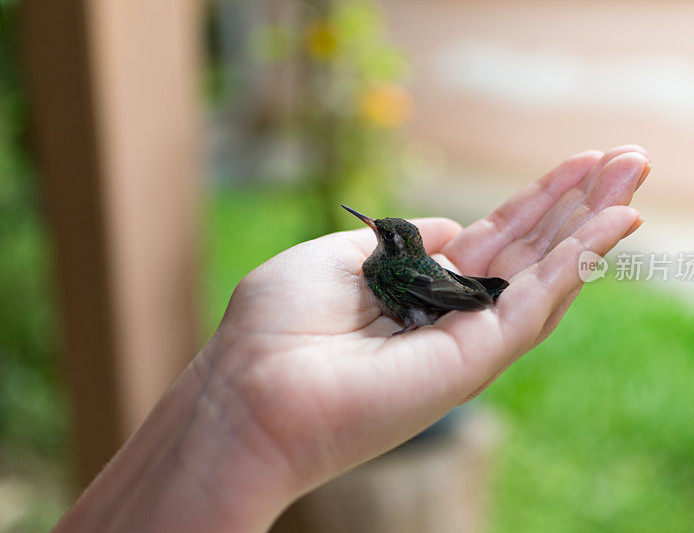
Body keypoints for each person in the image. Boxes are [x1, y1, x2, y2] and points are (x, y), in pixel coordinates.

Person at [53, 146, 650, 532]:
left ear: (394, 244)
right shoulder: (376, 269)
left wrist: (474, 291)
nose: (371, 232)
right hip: (439, 292)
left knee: (458, 290)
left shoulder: (382, 270)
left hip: (437, 294)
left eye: (380, 230)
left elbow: (431, 287)